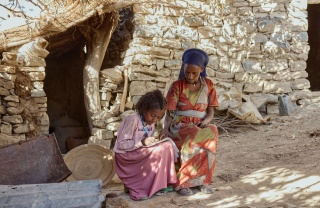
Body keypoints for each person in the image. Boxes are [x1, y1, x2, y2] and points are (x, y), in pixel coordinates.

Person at [160, 48, 219, 196]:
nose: (190, 76)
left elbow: (211, 112)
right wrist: (165, 128)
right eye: (187, 72)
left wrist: (206, 121)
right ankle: (183, 182)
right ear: (183, 68)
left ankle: (202, 181)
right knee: (193, 133)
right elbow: (169, 113)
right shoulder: (177, 86)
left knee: (212, 131)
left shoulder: (209, 85)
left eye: (194, 73)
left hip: (200, 123)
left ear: (202, 69)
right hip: (180, 125)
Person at [113, 89, 177, 201]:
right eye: (153, 115)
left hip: (137, 152)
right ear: (144, 109)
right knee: (162, 148)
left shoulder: (150, 123)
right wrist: (142, 142)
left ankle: (161, 184)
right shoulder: (133, 119)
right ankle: (141, 188)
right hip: (125, 157)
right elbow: (121, 144)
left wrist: (152, 141)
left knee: (167, 145)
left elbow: (144, 140)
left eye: (158, 117)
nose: (155, 119)